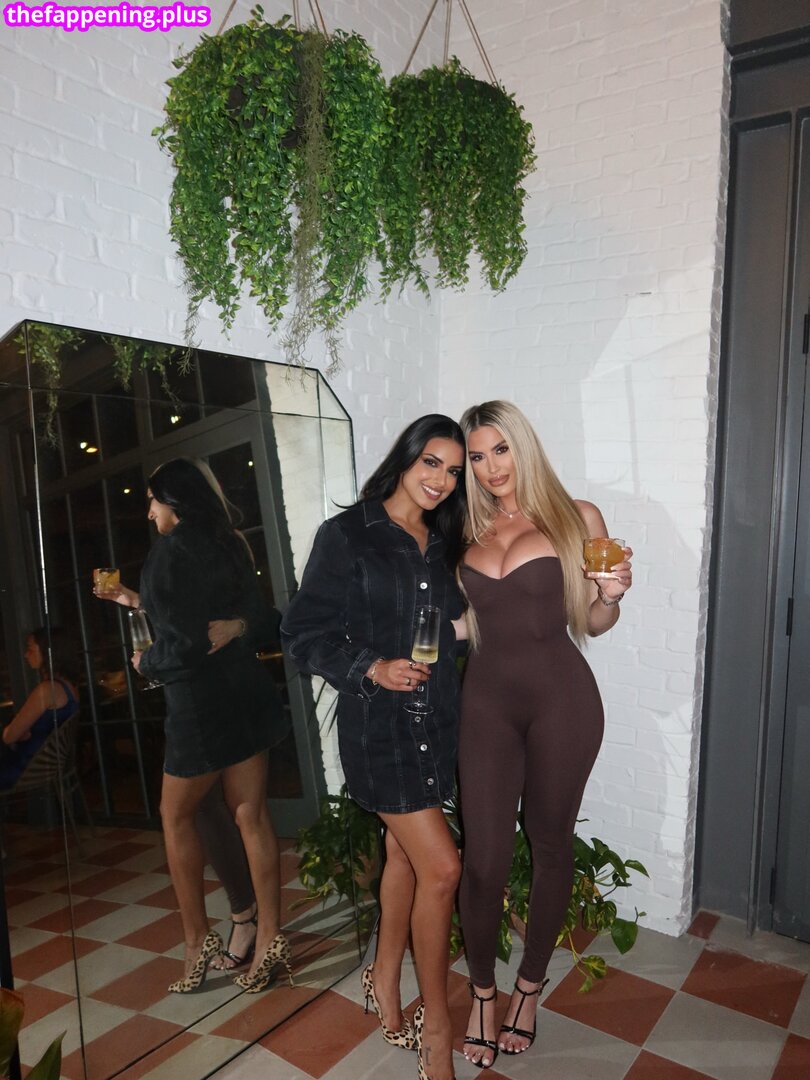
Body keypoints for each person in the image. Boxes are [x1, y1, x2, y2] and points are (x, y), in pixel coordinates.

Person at [281, 415, 467, 1080]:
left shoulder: (445, 544)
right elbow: (301, 633)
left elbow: (458, 627)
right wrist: (372, 666)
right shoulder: (348, 534)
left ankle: (384, 979)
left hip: (435, 725)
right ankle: (436, 1030)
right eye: (431, 462)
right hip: (380, 730)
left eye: (454, 470)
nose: (441, 479)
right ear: (405, 458)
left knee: (404, 856)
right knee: (442, 869)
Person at [456, 401, 633, 1069]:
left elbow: (593, 620)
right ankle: (482, 993)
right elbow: (469, 624)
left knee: (551, 841)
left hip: (562, 700)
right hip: (486, 705)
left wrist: (611, 594)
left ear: (522, 447)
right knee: (483, 859)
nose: (490, 467)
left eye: (500, 449)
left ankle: (528, 988)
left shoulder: (576, 516)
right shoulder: (467, 530)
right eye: (477, 456)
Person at [98, 458, 289, 994]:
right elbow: (251, 617)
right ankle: (269, 936)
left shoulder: (165, 555)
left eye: (152, 501)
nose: (149, 512)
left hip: (200, 708)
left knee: (175, 816)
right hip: (245, 695)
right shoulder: (229, 544)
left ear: (173, 501)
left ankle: (195, 939)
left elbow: (182, 644)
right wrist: (135, 600)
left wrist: (146, 664)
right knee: (251, 814)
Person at [1, 627, 79, 789]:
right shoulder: (69, 687)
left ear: (48, 652)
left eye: (30, 649)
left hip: (27, 768)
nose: (26, 655)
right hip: (46, 766)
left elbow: (9, 737)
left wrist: (18, 731)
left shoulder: (47, 690)